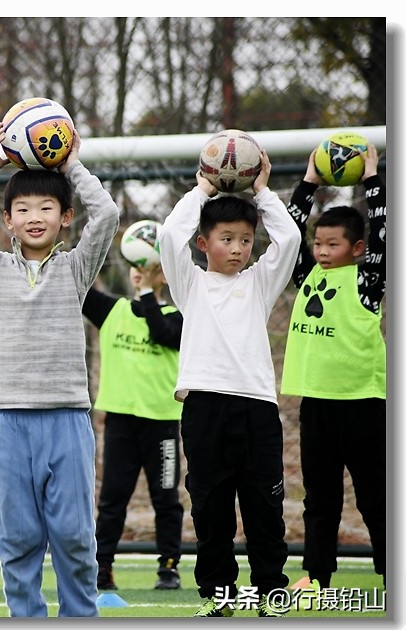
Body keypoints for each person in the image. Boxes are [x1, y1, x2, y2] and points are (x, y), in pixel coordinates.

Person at [0, 123, 120, 618]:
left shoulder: (76, 268)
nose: (34, 216)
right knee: (19, 537)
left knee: (71, 534)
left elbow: (105, 214)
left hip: (67, 420)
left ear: (66, 218)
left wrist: (69, 165)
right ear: (7, 221)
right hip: (9, 420)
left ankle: (79, 617)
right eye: (22, 209)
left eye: (46, 208)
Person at [158, 151, 301, 618]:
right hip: (203, 408)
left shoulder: (260, 283)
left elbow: (291, 238)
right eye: (226, 239)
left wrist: (261, 190)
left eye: (245, 239)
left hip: (257, 408)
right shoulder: (190, 285)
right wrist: (202, 187)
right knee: (211, 508)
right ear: (204, 243)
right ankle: (218, 595)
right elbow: (168, 235)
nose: (238, 247)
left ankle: (270, 593)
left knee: (264, 506)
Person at [280, 145, 386, 591]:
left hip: (364, 403)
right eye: (318, 244)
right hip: (317, 404)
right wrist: (309, 181)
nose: (321, 251)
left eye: (332, 244)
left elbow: (384, 231)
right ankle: (316, 575)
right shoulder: (306, 275)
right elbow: (287, 229)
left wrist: (373, 179)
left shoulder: (368, 279)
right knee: (319, 499)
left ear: (357, 248)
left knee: (376, 497)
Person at [83, 261, 184, 592]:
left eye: (150, 267)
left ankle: (168, 567)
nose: (141, 272)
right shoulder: (114, 310)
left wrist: (146, 293)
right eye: (136, 266)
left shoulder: (179, 316)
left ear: (165, 275)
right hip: (121, 422)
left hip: (162, 423)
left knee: (166, 499)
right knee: (113, 498)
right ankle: (103, 567)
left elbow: (162, 333)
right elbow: (79, 287)